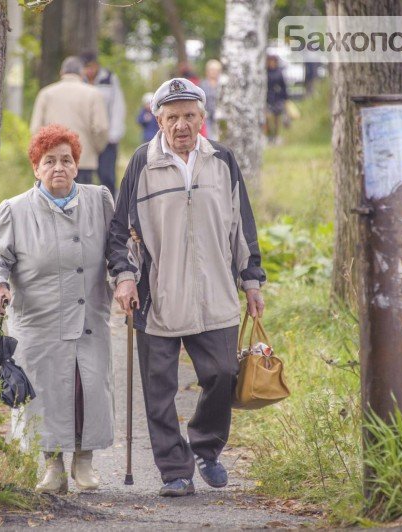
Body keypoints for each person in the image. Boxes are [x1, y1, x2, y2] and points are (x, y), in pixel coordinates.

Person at [107, 78, 266, 497]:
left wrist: (251, 281)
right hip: (157, 294)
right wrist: (125, 279)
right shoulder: (142, 163)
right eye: (172, 116)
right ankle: (174, 471)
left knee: (223, 373)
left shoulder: (223, 161)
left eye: (189, 115)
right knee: (159, 390)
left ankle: (206, 447)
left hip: (215, 291)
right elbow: (120, 232)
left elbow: (242, 228)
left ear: (202, 117)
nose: (181, 125)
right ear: (157, 118)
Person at [0, 124, 115, 494]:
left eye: (66, 160)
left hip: (89, 314)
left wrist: (125, 276)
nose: (58, 167)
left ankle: (85, 462)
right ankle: (52, 466)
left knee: (86, 387)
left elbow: (119, 247)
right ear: (36, 168)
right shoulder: (14, 210)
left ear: (77, 165)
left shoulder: (99, 200)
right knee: (45, 391)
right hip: (39, 318)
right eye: (49, 161)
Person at [30, 56, 109, 186]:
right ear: (82, 73)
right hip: (83, 160)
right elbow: (101, 128)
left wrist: (43, 155)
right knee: (81, 203)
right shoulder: (93, 94)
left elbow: (36, 129)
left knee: (50, 203)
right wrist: (96, 149)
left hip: (51, 164)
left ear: (62, 72)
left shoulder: (46, 93)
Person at [80, 51, 126, 196]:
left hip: (106, 136)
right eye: (86, 67)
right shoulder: (80, 81)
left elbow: (117, 107)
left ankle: (110, 208)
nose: (89, 71)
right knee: (83, 177)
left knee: (107, 176)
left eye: (91, 67)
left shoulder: (109, 79)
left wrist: (114, 134)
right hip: (85, 138)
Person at [265, 53, 289, 145]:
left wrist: (286, 98)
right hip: (268, 98)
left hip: (277, 98)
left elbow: (283, 86)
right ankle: (269, 135)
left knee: (276, 118)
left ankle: (276, 136)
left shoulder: (279, 72)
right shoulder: (265, 72)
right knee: (267, 117)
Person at [199, 59, 222, 139]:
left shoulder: (222, 85)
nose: (214, 72)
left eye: (216, 70)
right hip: (207, 118)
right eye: (212, 70)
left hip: (220, 117)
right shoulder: (202, 85)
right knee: (209, 138)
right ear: (207, 71)